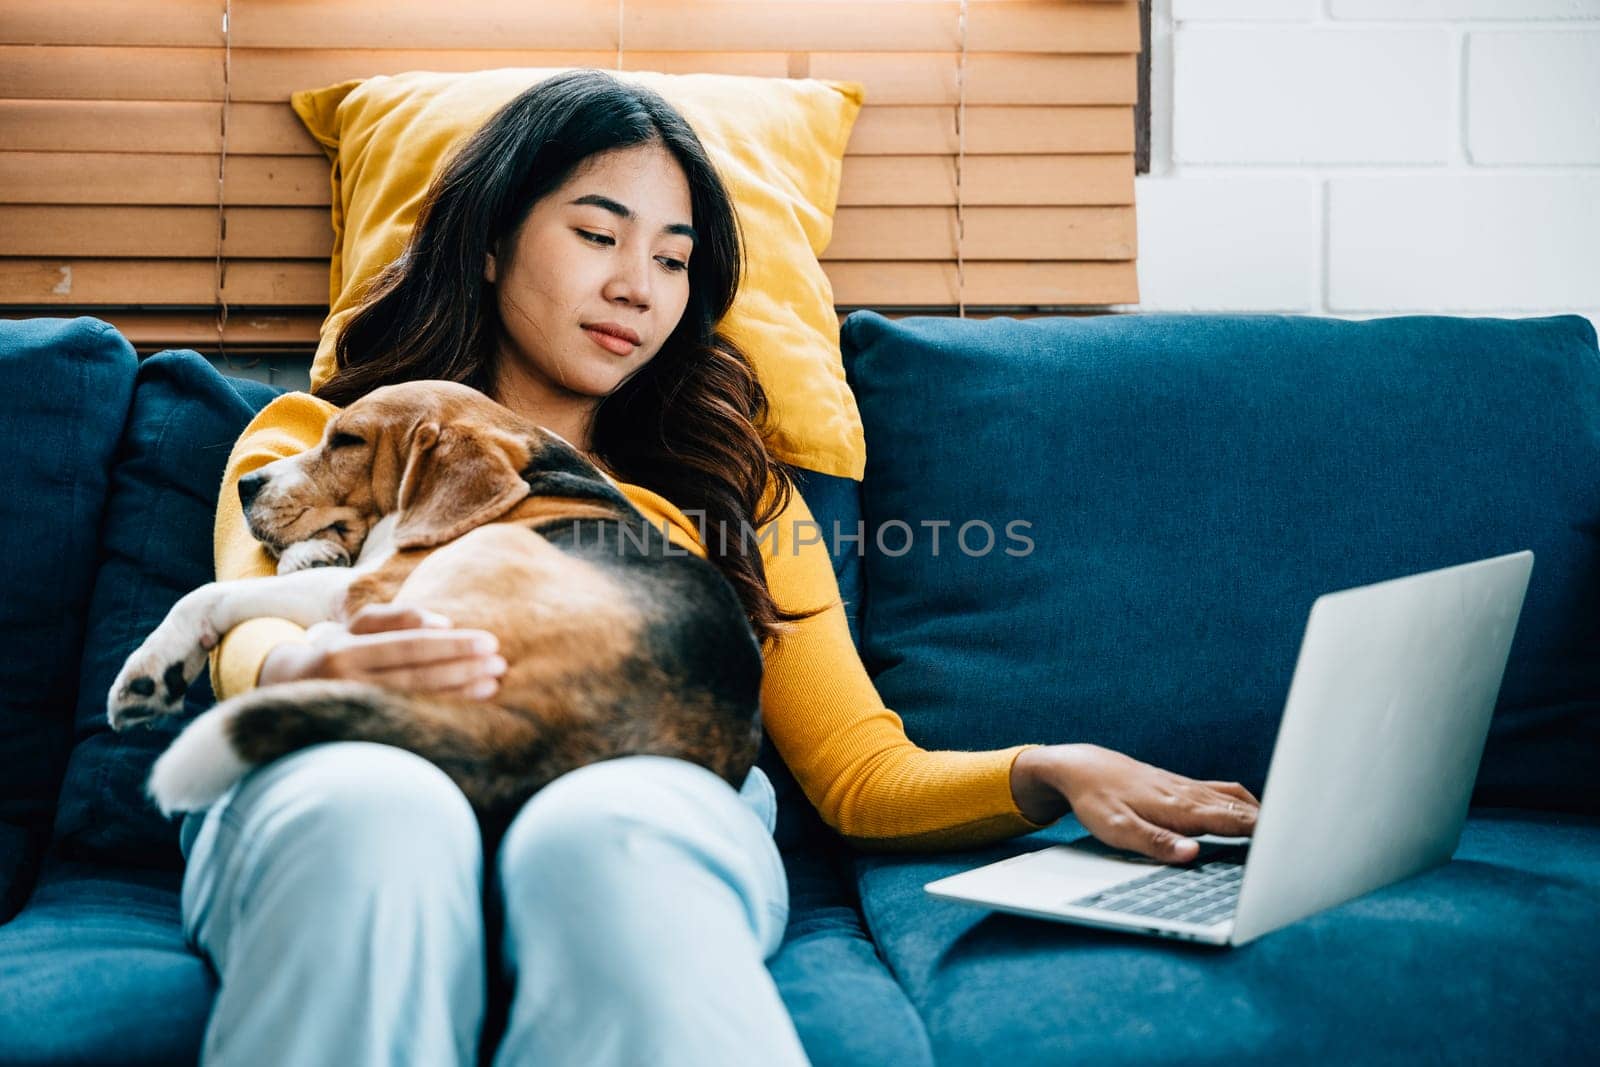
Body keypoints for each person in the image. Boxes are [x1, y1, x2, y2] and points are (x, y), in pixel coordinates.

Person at [179, 69, 1260, 1067]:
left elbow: (856, 772)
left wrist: (1047, 766)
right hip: (349, 755)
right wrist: (319, 664)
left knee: (612, 834)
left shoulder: (734, 497)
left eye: (671, 257)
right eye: (598, 234)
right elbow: (243, 635)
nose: (636, 287)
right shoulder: (324, 438)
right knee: (372, 807)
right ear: (493, 240)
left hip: (636, 779)